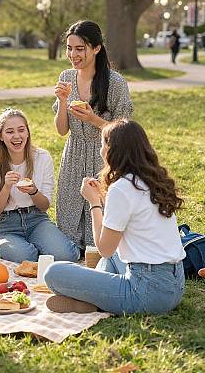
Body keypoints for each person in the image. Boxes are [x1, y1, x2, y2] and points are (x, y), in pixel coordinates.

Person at [44, 119, 186, 315]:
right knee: (112, 260)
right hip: (174, 285)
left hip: (146, 293)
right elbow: (129, 216)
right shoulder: (151, 180)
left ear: (112, 150)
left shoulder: (122, 188)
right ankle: (95, 301)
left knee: (53, 273)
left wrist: (94, 202)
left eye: (102, 144)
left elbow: (104, 248)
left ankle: (93, 300)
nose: (101, 150)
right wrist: (103, 196)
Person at [54, 20, 133, 252]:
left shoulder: (115, 83)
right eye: (69, 48)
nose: (73, 54)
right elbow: (61, 130)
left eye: (80, 48)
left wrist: (93, 119)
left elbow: (124, 132)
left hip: (105, 157)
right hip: (73, 155)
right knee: (68, 231)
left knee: (99, 235)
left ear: (97, 48)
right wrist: (62, 101)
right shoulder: (66, 77)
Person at [0, 108, 79, 263]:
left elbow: (44, 206)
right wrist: (6, 188)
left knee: (66, 256)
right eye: (9, 132)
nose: (17, 136)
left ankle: (42, 245)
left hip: (37, 220)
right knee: (26, 257)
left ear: (27, 132)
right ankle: (33, 249)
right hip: (7, 226)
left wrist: (34, 191)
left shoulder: (42, 157)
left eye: (21, 130)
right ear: (0, 136)